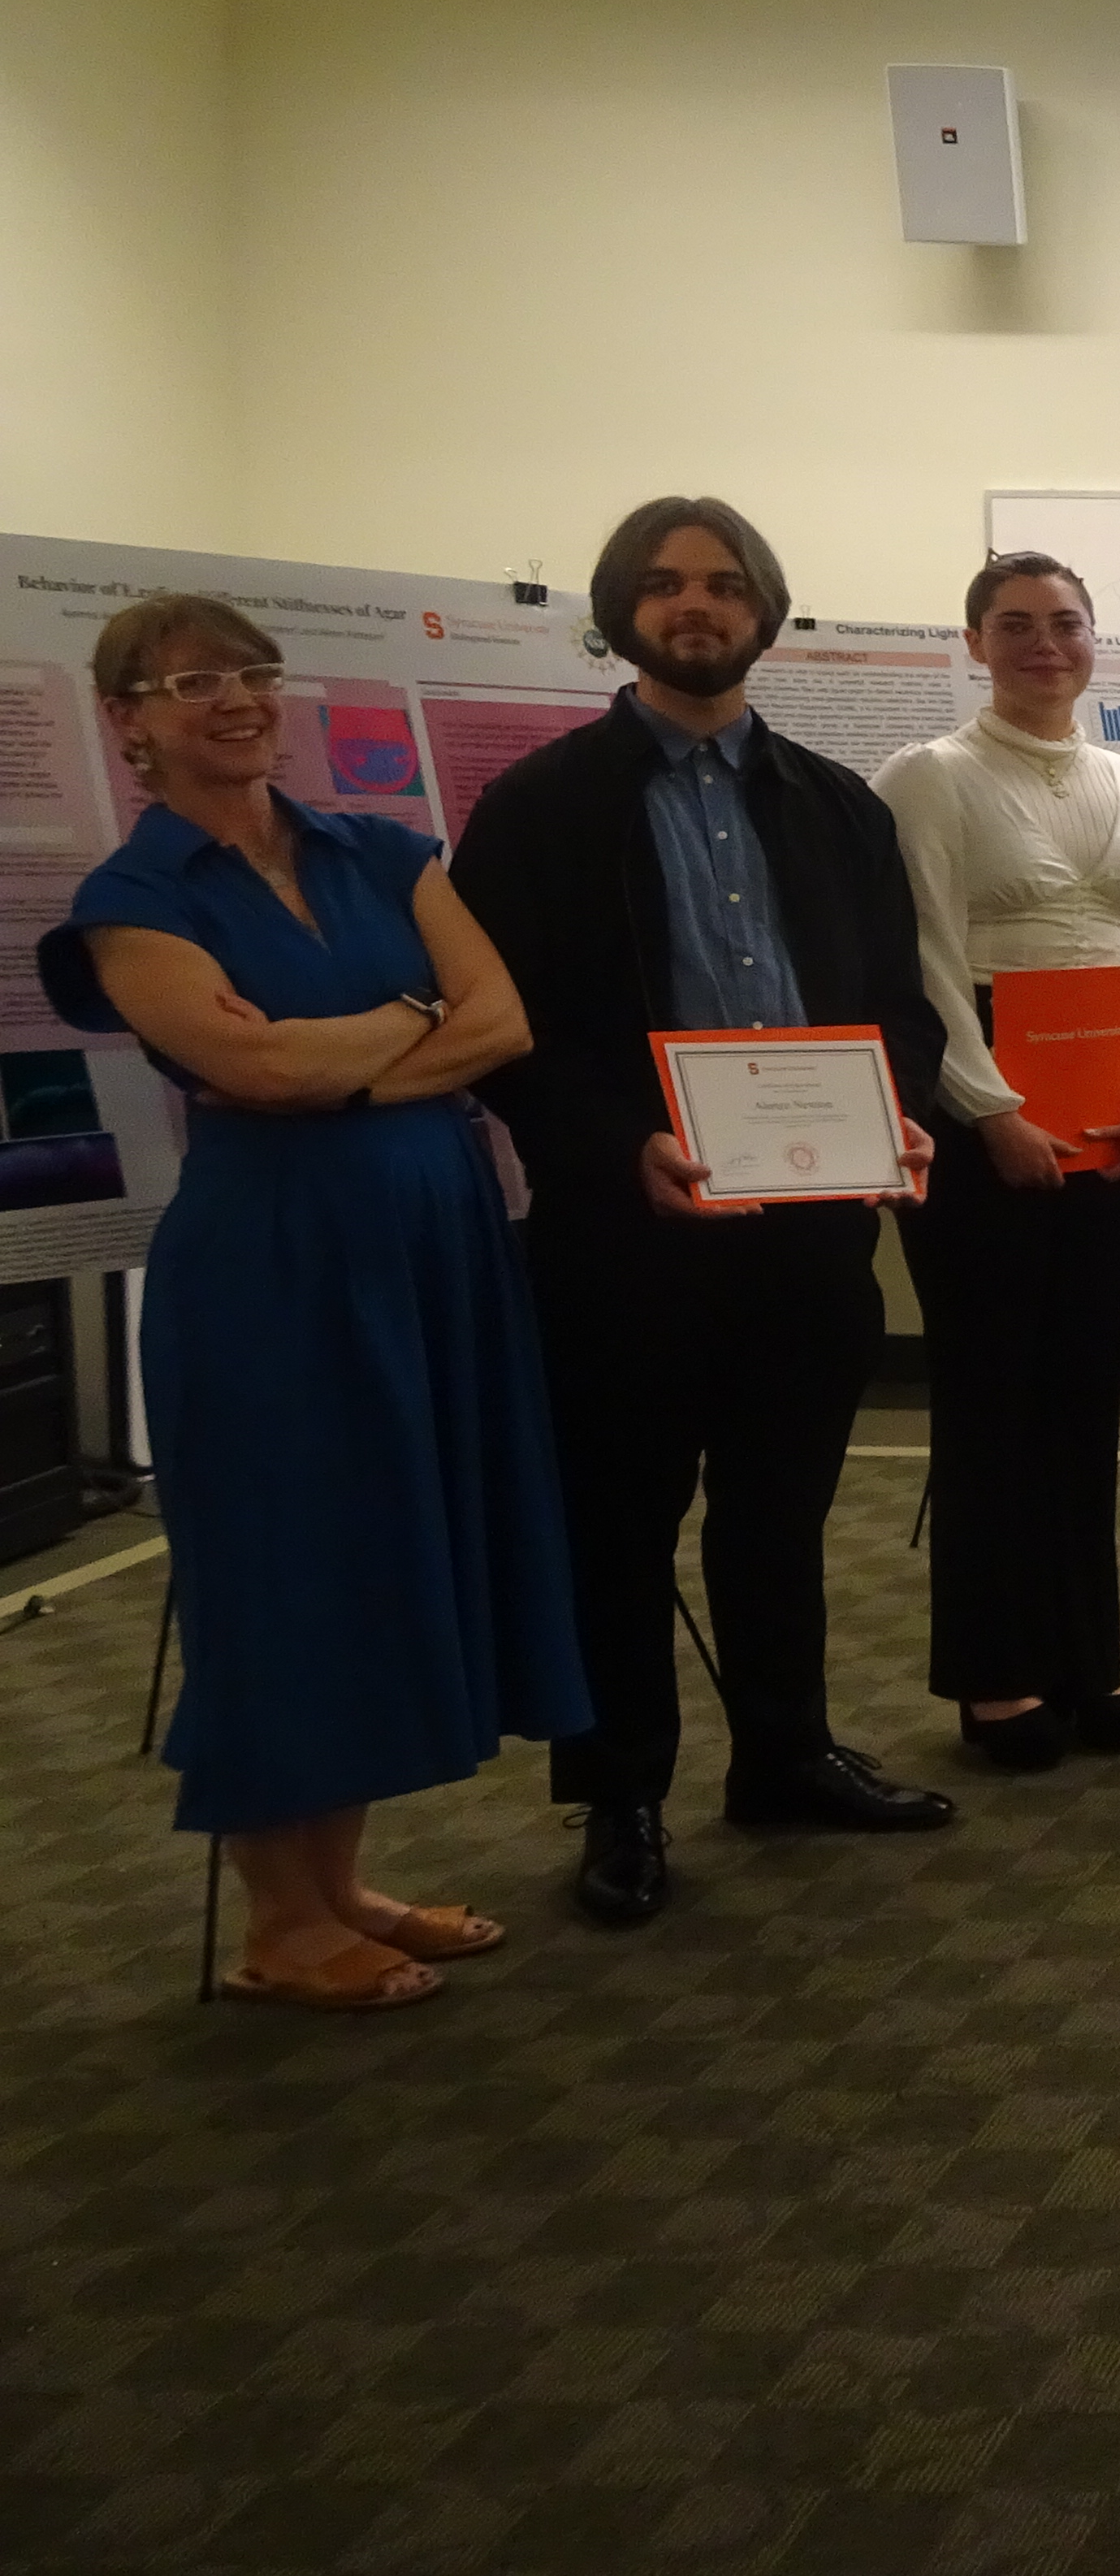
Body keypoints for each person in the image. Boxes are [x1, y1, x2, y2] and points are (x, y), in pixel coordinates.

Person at [39, 593, 586, 2009]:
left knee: (391, 1549)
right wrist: (413, 1026)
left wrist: (343, 1044)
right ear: (130, 720)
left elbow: (503, 1022)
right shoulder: (131, 901)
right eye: (192, 680)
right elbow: (261, 1077)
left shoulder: (388, 850)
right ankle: (281, 1922)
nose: (236, 698)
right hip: (272, 1269)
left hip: (432, 1247)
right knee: (290, 1569)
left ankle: (339, 1885)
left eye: (254, 672)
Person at [460, 497, 956, 1931]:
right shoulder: (541, 806)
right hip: (630, 1234)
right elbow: (506, 1033)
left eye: (725, 584)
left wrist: (902, 1108)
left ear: (764, 608)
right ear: (623, 608)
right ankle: (619, 1794)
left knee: (781, 1507)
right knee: (620, 1520)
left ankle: (784, 1754)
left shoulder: (835, 802)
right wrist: (624, 1149)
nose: (697, 605)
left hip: (810, 1228)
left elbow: (896, 1007)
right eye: (668, 585)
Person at [878, 552, 1120, 1771]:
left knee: (1081, 1398)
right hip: (989, 1134)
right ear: (974, 643)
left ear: (1091, 642)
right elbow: (920, 954)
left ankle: (1086, 1661)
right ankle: (996, 1678)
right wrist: (986, 1108)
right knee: (990, 1402)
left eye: (1064, 624)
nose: (1043, 645)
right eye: (1014, 626)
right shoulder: (929, 777)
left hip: (1115, 1128)